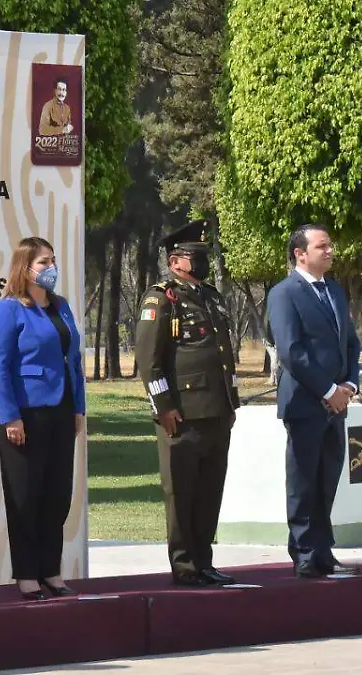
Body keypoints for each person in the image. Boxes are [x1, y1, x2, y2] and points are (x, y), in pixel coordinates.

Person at [134, 220, 239, 588]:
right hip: (181, 414)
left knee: (210, 491)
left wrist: (230, 402)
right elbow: (149, 360)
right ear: (177, 261)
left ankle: (204, 560)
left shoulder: (210, 296)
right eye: (197, 256)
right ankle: (184, 565)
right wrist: (164, 406)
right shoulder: (161, 298)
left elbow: (224, 355)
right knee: (181, 492)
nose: (203, 262)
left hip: (216, 411)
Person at [0, 237, 85, 600]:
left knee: (56, 495)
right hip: (26, 413)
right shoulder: (9, 309)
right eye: (44, 263)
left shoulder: (61, 307)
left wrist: (78, 407)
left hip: (60, 410)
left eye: (53, 261)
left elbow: (73, 360)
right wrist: (11, 416)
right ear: (25, 268)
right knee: (25, 496)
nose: (51, 268)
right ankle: (27, 575)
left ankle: (51, 572)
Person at [266, 224, 362, 578]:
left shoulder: (335, 292)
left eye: (330, 245)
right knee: (304, 480)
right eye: (322, 245)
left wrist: (349, 385)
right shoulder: (284, 293)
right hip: (306, 404)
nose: (330, 250)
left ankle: (323, 550)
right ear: (300, 253)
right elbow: (292, 351)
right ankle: (304, 552)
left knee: (327, 479)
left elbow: (350, 344)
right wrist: (328, 391)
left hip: (337, 405)